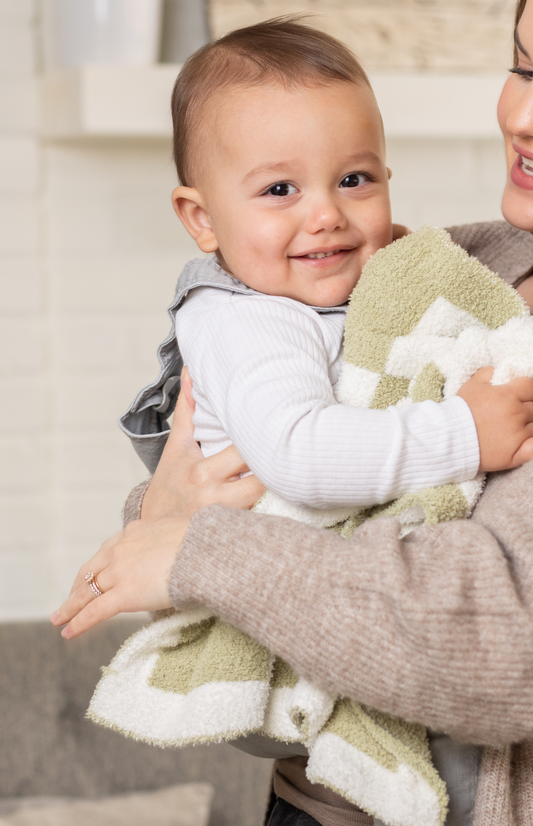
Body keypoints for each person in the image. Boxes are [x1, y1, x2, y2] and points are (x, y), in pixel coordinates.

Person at [52, 0, 533, 824]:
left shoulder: (398, 267)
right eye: (522, 66)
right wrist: (167, 521)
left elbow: (503, 648)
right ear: (200, 217)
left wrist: (192, 545)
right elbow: (247, 472)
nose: (522, 115)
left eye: (355, 178)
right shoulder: (454, 263)